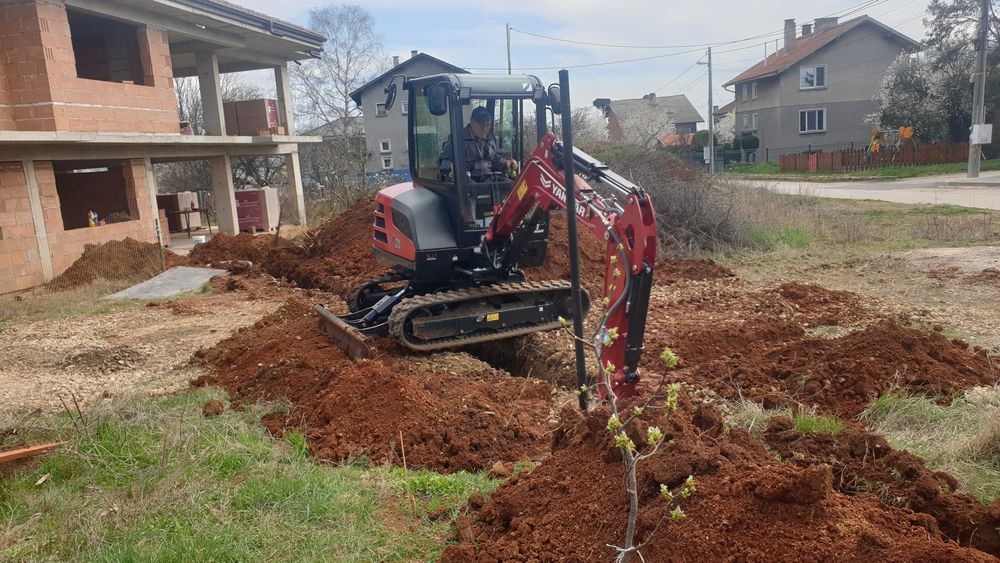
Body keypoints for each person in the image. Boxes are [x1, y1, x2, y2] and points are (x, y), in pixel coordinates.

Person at [439, 106, 518, 182]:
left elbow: (496, 158)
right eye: (482, 125)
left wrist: (506, 164)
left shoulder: (491, 138)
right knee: (470, 187)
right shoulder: (457, 138)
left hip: (489, 179)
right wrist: (452, 170)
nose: (486, 129)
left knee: (511, 186)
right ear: (472, 122)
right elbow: (446, 162)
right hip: (466, 181)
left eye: (488, 125)